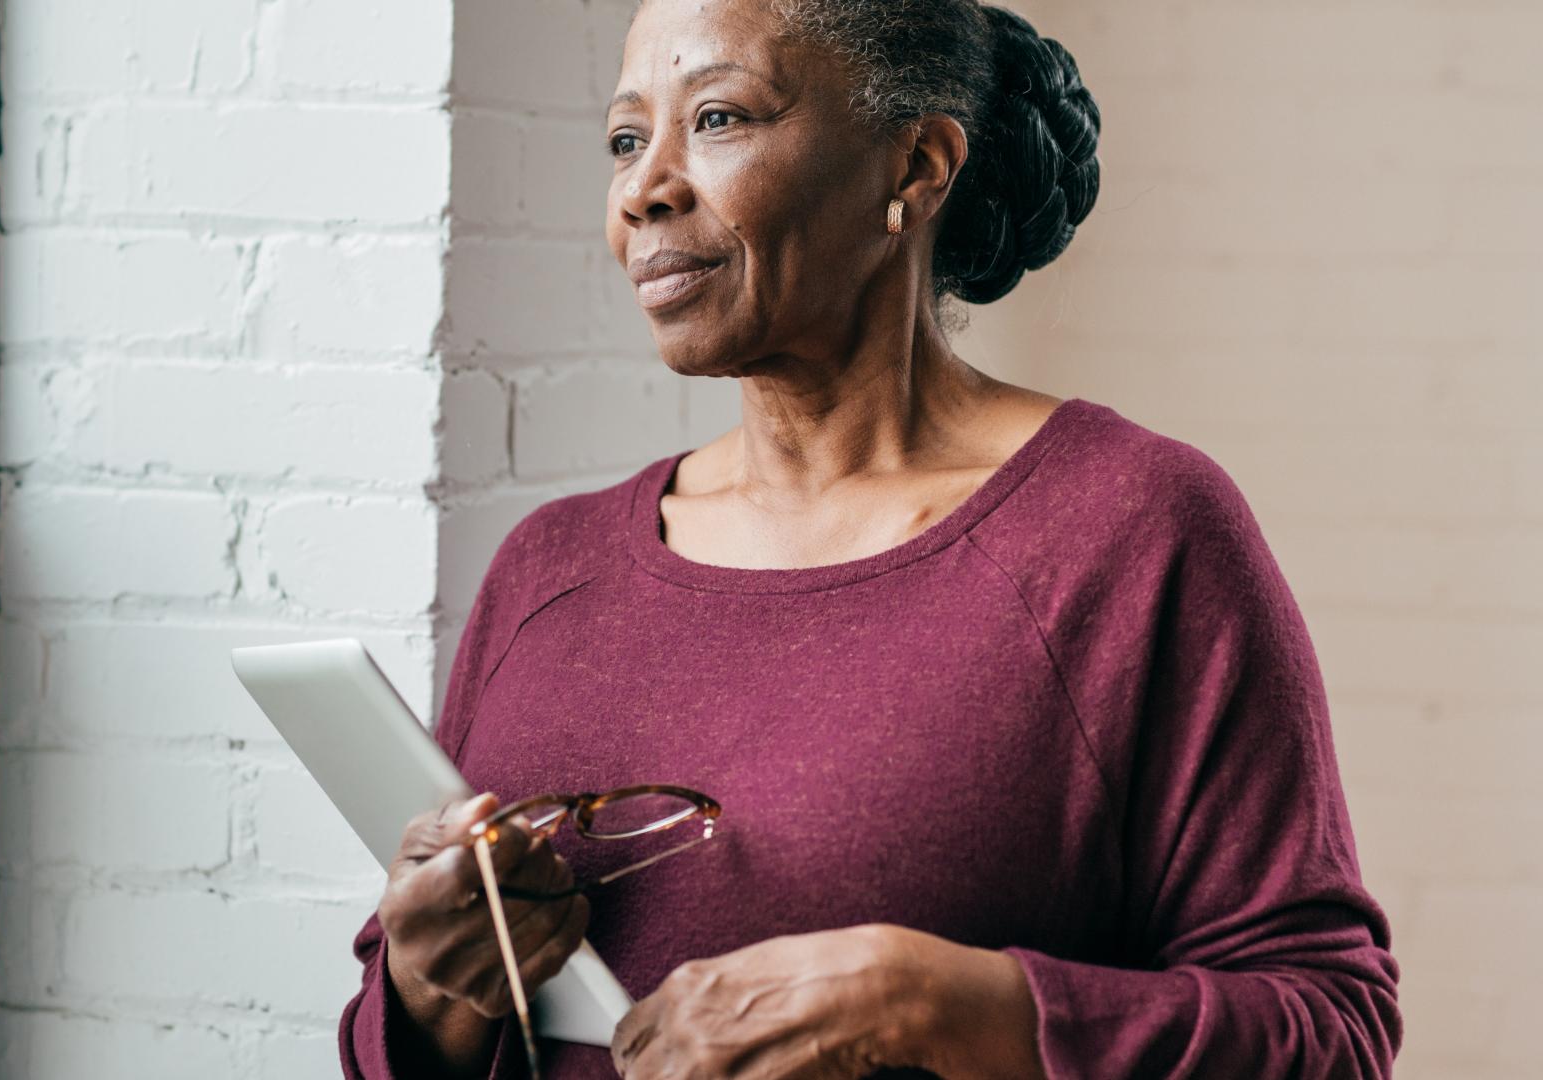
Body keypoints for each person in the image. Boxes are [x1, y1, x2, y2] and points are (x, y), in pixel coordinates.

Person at [338, 0, 1403, 1076]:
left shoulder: (1129, 531)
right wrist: (429, 991)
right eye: (625, 138)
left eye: (717, 118)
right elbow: (396, 1040)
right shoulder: (548, 570)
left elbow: (1331, 1033)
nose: (642, 189)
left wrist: (942, 1005)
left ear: (917, 164)